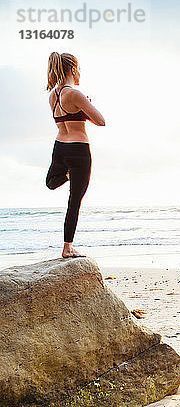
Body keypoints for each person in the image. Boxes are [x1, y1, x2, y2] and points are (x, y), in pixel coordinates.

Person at [46, 52, 105, 258]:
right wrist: (87, 106)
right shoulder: (75, 94)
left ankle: (68, 175)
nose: (80, 73)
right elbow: (101, 120)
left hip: (60, 146)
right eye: (79, 69)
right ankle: (67, 247)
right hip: (79, 151)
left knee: (51, 182)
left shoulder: (53, 95)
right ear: (73, 69)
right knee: (74, 202)